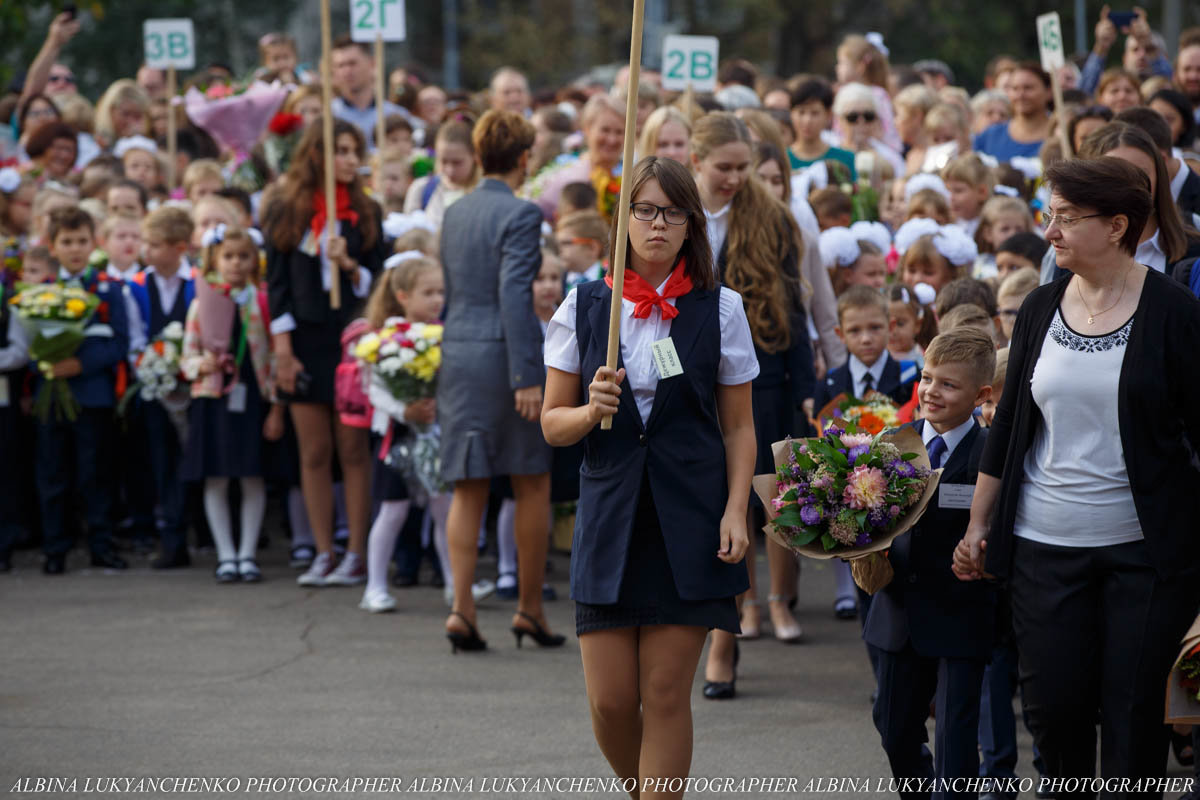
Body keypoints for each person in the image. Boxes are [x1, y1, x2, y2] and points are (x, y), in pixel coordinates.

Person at [954, 156, 1200, 791]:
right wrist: (979, 522)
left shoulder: (1174, 312)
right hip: (1043, 547)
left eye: (1065, 217)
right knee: (1055, 713)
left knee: (1132, 715)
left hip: (1144, 554)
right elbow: (1007, 425)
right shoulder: (1039, 306)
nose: (1051, 231)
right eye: (1048, 215)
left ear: (1118, 225)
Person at [542, 155, 757, 793]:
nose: (656, 224)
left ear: (691, 222)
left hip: (689, 517)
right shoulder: (582, 306)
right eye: (644, 210)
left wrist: (736, 509)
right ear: (623, 219)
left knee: (664, 694)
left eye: (671, 211)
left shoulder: (721, 309)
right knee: (610, 701)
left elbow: (740, 427)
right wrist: (590, 410)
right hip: (610, 516)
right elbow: (552, 424)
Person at [691, 112, 814, 686]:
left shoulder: (773, 220)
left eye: (745, 167)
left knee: (749, 508)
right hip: (687, 383)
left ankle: (728, 637)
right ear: (696, 162)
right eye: (726, 168)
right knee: (707, 508)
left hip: (758, 382)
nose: (738, 178)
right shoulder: (674, 214)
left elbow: (794, 313)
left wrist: (806, 393)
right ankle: (718, 627)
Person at [437, 109, 558, 652]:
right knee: (531, 481)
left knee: (468, 488)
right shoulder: (522, 213)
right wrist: (526, 374)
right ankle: (529, 609)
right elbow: (515, 294)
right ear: (525, 158)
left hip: (457, 355)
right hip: (504, 357)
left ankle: (462, 608)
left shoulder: (455, 211)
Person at [865, 326, 996, 799]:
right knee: (893, 727)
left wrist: (986, 551)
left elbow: (1007, 523)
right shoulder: (893, 442)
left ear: (981, 394)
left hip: (964, 610)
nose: (931, 391)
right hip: (899, 609)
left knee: (956, 738)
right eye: (927, 377)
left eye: (948, 384)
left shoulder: (991, 453)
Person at [263, 118, 386, 587]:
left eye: (356, 151)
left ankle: (357, 551)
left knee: (352, 450)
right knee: (313, 451)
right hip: (304, 340)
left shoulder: (366, 211)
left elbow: (379, 281)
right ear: (317, 155)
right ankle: (322, 550)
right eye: (344, 151)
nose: (353, 160)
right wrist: (283, 351)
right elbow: (275, 286)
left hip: (350, 340)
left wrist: (349, 264)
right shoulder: (285, 209)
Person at [180, 226, 282, 582]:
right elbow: (187, 355)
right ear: (214, 260)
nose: (236, 264)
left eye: (243, 257)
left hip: (253, 397)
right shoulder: (202, 301)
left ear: (255, 261)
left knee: (252, 476)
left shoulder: (261, 301)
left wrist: (276, 406)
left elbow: (272, 356)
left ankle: (247, 553)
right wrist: (199, 366)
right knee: (217, 478)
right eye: (228, 256)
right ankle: (226, 554)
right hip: (214, 398)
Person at [36, 206, 130, 574]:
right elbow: (28, 341)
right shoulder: (40, 292)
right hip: (52, 397)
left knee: (96, 473)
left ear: (94, 244)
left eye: (81, 242)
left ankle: (101, 545)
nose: (74, 249)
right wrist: (45, 364)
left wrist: (81, 364)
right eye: (66, 242)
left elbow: (119, 342)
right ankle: (55, 548)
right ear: (52, 246)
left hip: (93, 394)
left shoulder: (108, 288)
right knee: (53, 473)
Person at [359, 255, 451, 613]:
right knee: (392, 512)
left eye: (440, 292)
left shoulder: (444, 336)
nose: (436, 300)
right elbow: (375, 390)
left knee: (446, 513)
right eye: (428, 292)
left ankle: (457, 586)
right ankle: (374, 587)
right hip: (396, 437)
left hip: (435, 435)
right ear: (402, 295)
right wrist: (405, 410)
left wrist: (435, 407)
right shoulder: (386, 339)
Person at [127, 207, 196, 569]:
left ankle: (198, 529)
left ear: (179, 247)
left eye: (154, 244)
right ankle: (171, 535)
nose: (146, 250)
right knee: (162, 461)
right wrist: (153, 370)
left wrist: (184, 369)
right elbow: (136, 340)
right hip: (155, 390)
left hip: (192, 388)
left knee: (192, 459)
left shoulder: (197, 283)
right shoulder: (137, 287)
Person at [330, 36, 422, 150]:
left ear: (372, 64)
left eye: (352, 63)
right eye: (340, 65)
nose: (347, 71)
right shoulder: (328, 115)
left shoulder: (397, 115)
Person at [403, 121, 480, 229]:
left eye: (457, 162)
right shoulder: (422, 189)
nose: (450, 170)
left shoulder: (484, 193)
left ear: (474, 157)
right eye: (443, 161)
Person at [973, 63, 1052, 163]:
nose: (1020, 95)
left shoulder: (1060, 135)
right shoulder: (990, 136)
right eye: (1015, 89)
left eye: (1028, 88)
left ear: (1048, 91)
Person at [787, 78, 857, 177]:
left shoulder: (845, 159)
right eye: (801, 112)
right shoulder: (782, 160)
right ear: (791, 113)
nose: (807, 120)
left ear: (828, 115)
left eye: (815, 113)